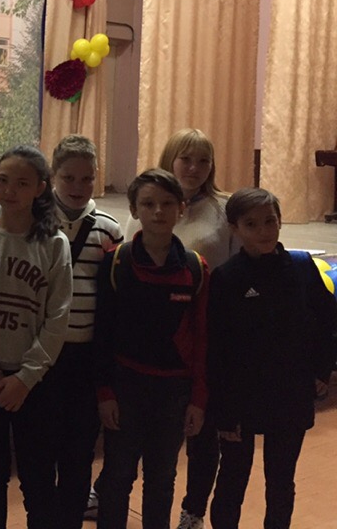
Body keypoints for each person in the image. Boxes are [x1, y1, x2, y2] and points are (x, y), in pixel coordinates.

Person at [90, 128, 234, 527]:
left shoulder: (196, 266)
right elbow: (105, 331)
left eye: (167, 204)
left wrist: (198, 396)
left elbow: (202, 334)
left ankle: (189, 512)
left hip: (175, 386)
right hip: (127, 383)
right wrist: (105, 391)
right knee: (118, 472)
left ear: (180, 209)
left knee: (162, 476)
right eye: (149, 205)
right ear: (135, 209)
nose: (158, 212)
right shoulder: (118, 261)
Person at [0, 145, 73, 529]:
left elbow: (57, 318)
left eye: (22, 183)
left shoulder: (54, 244)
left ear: (40, 188)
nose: (9, 190)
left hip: (35, 383)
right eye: (3, 180)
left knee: (38, 479)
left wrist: (25, 378)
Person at [208, 188, 337, 529]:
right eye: (251, 224)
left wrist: (322, 370)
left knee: (281, 482)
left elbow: (328, 320)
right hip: (241, 398)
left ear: (280, 221)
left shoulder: (302, 268)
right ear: (235, 228)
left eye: (270, 221)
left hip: (290, 394)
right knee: (232, 478)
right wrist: (224, 410)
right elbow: (218, 349)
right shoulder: (227, 278)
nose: (264, 231)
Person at [47, 135, 123, 529]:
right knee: (43, 450)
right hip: (44, 358)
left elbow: (113, 297)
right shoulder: (35, 222)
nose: (78, 187)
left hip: (86, 360)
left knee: (79, 452)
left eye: (87, 178)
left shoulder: (109, 229)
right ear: (53, 176)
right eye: (68, 178)